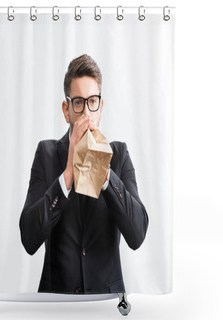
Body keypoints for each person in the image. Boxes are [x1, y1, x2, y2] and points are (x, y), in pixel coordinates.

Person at [19, 54, 148, 294]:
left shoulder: (119, 155)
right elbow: (28, 238)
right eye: (78, 102)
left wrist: (105, 174)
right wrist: (68, 173)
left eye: (93, 102)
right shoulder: (46, 154)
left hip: (105, 302)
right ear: (66, 110)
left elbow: (137, 234)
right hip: (56, 302)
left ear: (101, 107)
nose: (87, 112)